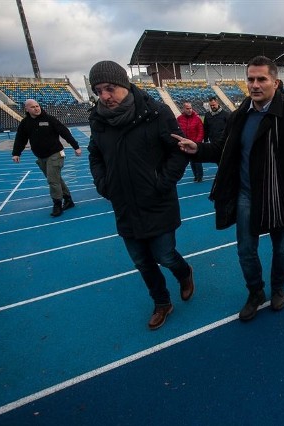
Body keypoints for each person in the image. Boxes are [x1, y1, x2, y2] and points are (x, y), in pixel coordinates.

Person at [175, 56, 284, 321]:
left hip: (278, 197)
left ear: (275, 82)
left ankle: (277, 289)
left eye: (261, 79)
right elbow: (223, 150)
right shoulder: (240, 115)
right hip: (246, 195)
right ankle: (255, 292)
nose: (255, 84)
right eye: (250, 79)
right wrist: (198, 149)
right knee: (245, 250)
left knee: (281, 247)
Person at [87, 60, 195, 331]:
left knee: (165, 255)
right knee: (142, 262)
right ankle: (162, 303)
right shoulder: (98, 120)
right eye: (99, 91)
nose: (105, 96)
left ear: (124, 85)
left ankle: (185, 272)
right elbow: (95, 154)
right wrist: (104, 184)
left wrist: (162, 182)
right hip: (124, 205)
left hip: (157, 202)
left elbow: (178, 151)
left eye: (110, 88)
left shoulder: (156, 113)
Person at [12, 99, 82, 217]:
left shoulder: (49, 119)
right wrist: (16, 153)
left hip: (55, 154)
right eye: (33, 107)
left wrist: (76, 147)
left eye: (37, 106)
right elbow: (20, 139)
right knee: (56, 179)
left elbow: (64, 132)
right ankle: (68, 200)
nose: (36, 108)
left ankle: (57, 204)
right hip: (40, 156)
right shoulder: (25, 123)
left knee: (52, 180)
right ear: (27, 109)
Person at [177, 101, 205, 182]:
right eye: (187, 108)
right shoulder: (179, 119)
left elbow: (201, 131)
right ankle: (195, 175)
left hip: (196, 143)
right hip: (186, 144)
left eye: (190, 108)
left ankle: (200, 176)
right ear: (184, 109)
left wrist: (197, 142)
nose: (189, 110)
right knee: (192, 161)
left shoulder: (197, 118)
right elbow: (178, 131)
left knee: (197, 160)